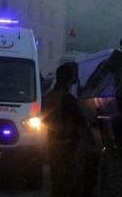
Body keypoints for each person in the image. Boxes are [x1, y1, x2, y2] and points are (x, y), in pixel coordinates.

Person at [42, 62, 84, 197]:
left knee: (56, 176)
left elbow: (43, 118)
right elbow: (80, 121)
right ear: (69, 80)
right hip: (67, 143)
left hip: (52, 140)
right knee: (67, 177)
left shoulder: (47, 96)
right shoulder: (68, 99)